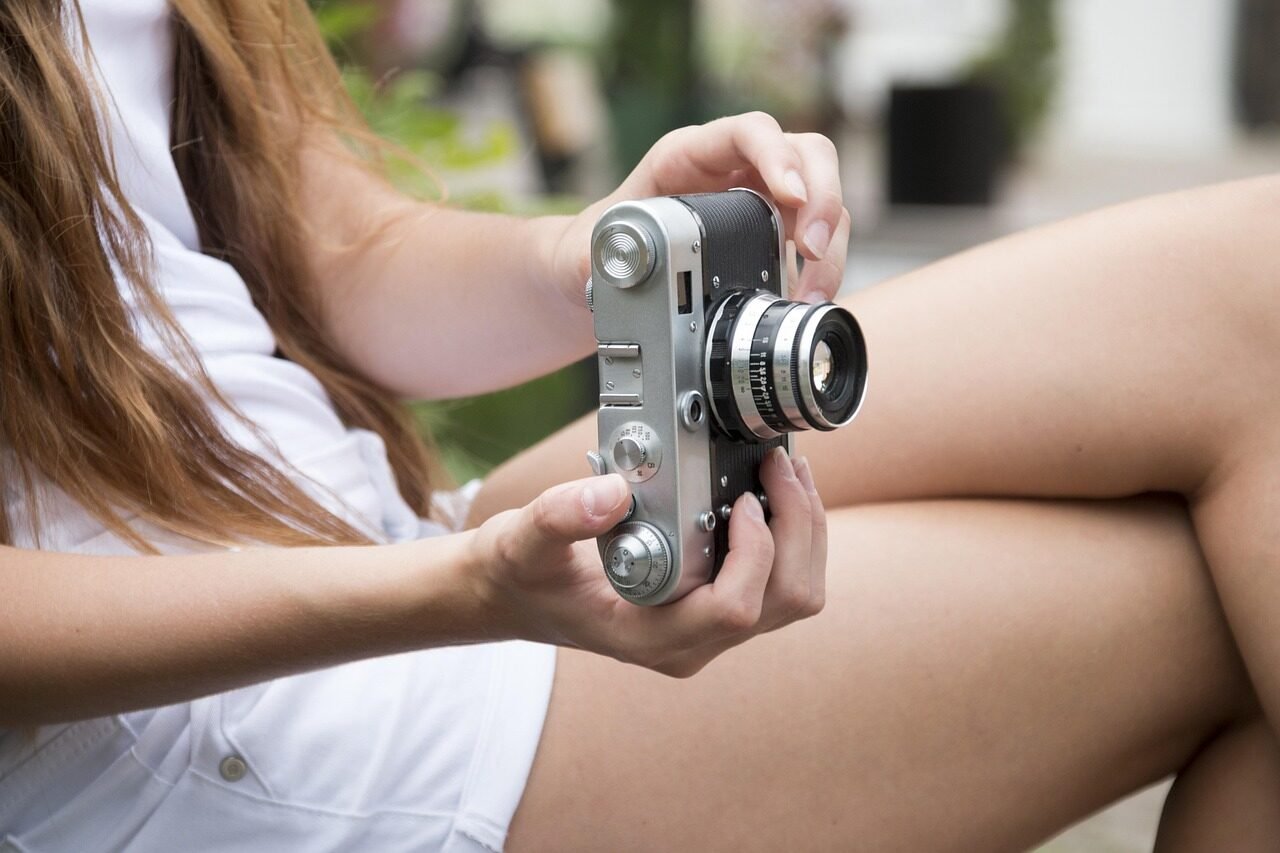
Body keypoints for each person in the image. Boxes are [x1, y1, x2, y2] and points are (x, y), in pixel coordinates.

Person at [1, 0, 1277, 850]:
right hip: (214, 730)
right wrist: (447, 594)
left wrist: (590, 259)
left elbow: (328, 253)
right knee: (1217, 594)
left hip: (386, 550)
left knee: (1250, 283)